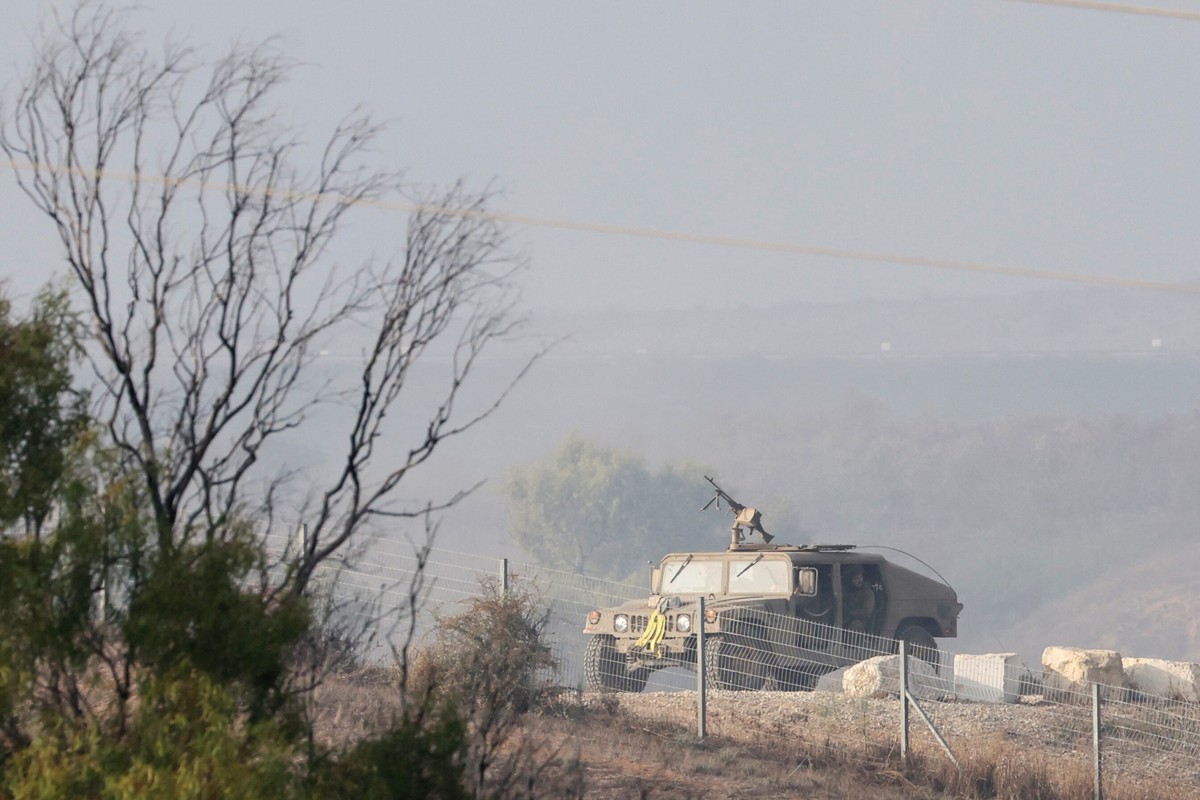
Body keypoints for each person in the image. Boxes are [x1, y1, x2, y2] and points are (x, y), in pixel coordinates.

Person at [842, 564, 875, 633]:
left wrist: (850, 614)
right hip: (844, 619)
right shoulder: (845, 590)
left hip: (860, 621)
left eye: (861, 577)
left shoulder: (867, 593)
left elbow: (867, 612)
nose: (860, 580)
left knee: (855, 625)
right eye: (856, 578)